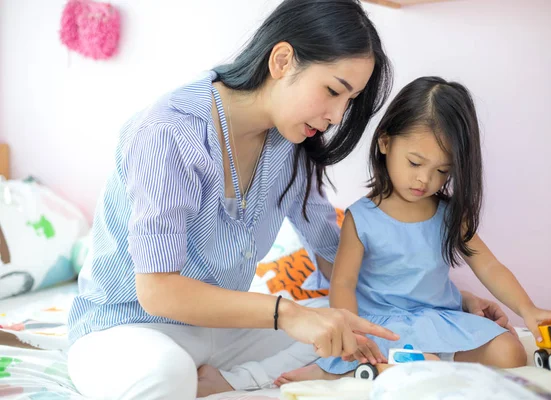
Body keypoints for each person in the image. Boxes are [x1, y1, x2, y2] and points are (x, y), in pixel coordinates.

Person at [65, 0, 515, 398]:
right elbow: (158, 290)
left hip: (220, 329)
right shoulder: (169, 132)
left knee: (343, 321)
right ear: (283, 60)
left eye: (350, 100)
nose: (338, 115)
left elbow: (334, 253)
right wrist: (287, 314)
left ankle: (232, 377)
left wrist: (445, 302)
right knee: (164, 376)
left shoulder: (289, 147)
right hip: (125, 327)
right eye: (334, 90)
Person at [276, 76, 551, 384]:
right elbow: (343, 283)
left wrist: (528, 309)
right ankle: (346, 367)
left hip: (438, 320)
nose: (425, 180)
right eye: (415, 163)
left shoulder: (449, 215)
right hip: (382, 326)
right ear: (385, 143)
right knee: (388, 355)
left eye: (442, 171)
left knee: (510, 353)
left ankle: (420, 365)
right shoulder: (362, 217)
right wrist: (349, 332)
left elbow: (489, 265)